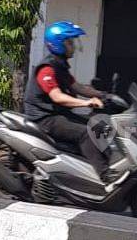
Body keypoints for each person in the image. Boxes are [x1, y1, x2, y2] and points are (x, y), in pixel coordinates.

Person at [24, 20, 121, 189]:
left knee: (97, 125)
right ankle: (105, 175)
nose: (73, 46)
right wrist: (86, 102)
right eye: (69, 42)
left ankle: (105, 164)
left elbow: (78, 87)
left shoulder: (59, 66)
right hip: (44, 117)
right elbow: (58, 97)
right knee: (85, 133)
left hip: (56, 114)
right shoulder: (47, 68)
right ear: (58, 44)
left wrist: (104, 95)